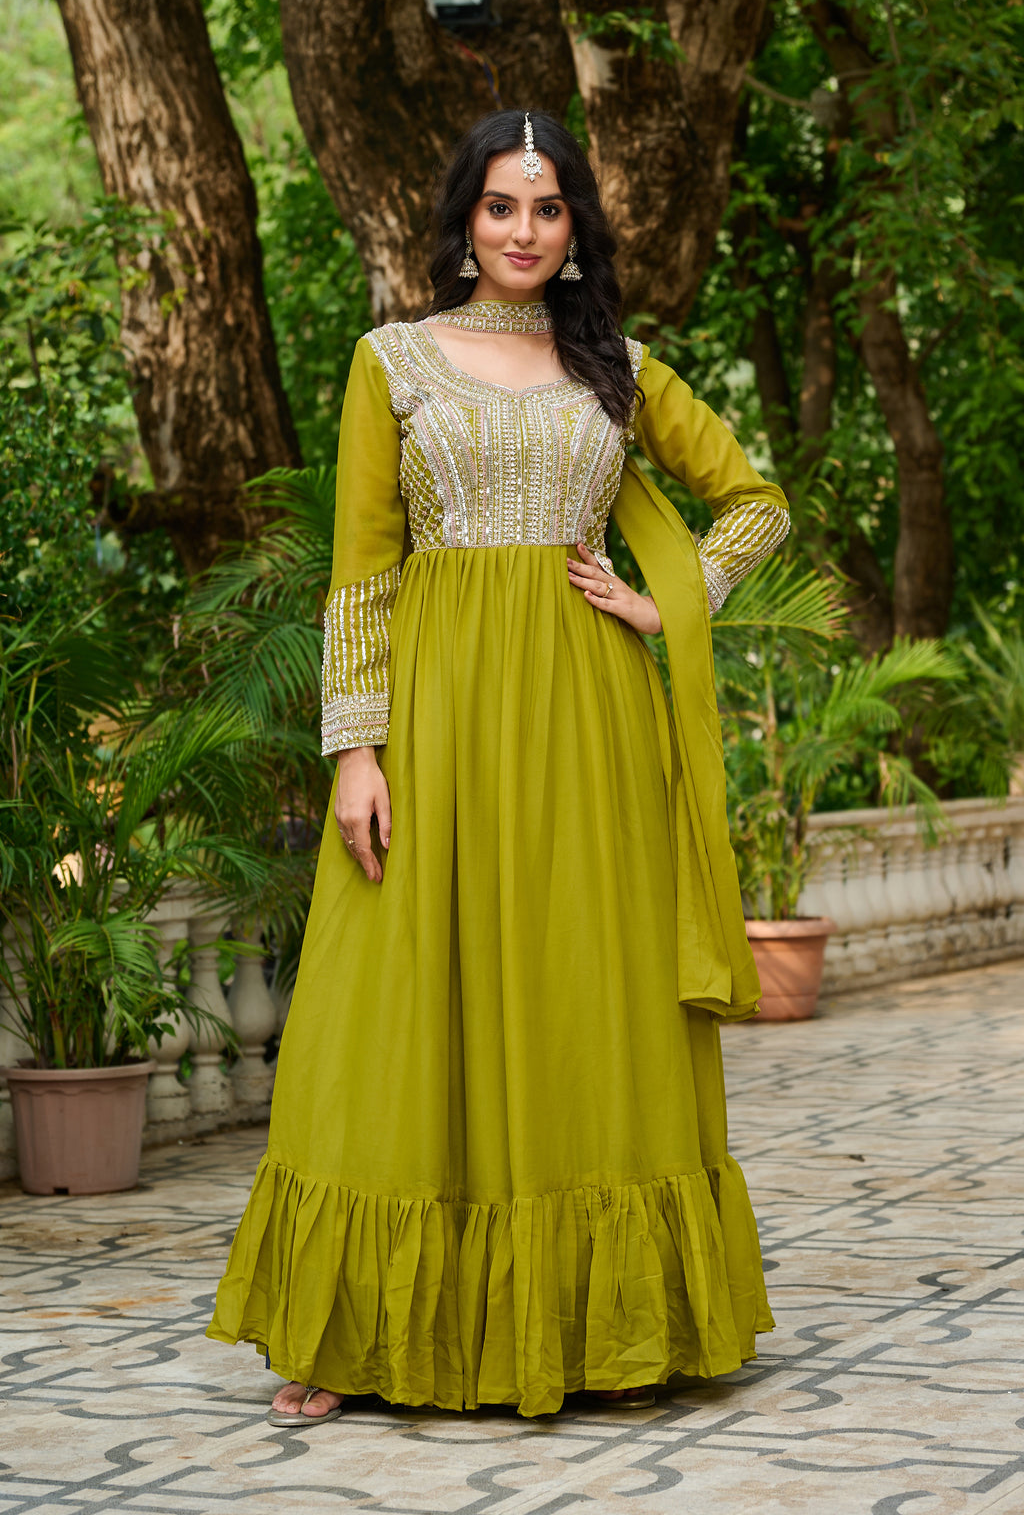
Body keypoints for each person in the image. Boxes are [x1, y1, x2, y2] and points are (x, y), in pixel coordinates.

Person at [207, 108, 790, 1423]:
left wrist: (668, 597)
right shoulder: (392, 360)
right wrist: (356, 750)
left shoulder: (617, 370)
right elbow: (362, 568)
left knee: (588, 1001)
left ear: (575, 229)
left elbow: (756, 501)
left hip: (588, 723)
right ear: (463, 220)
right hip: (434, 718)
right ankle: (350, 1334)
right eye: (501, 206)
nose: (524, 230)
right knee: (389, 1008)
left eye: (548, 208)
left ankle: (611, 1329)